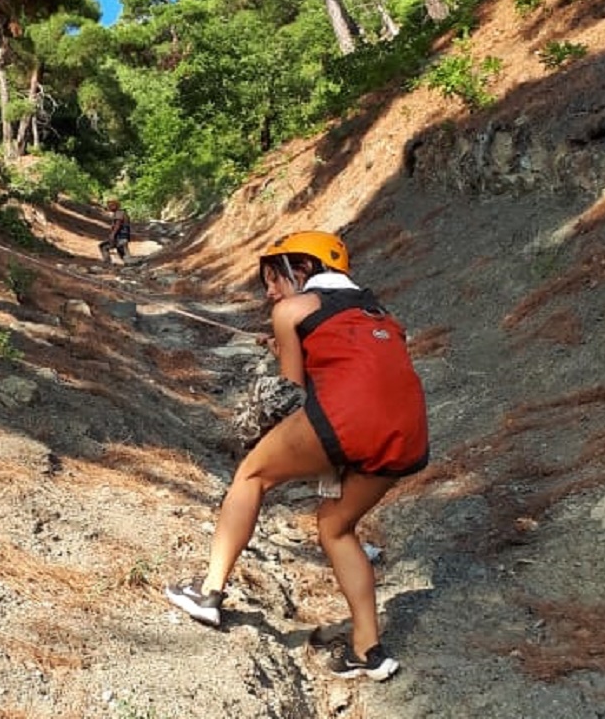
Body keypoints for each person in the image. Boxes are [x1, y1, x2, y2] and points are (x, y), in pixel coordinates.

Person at [165, 230, 429, 682]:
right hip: (409, 435)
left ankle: (208, 593)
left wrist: (284, 346)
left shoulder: (290, 310)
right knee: (335, 526)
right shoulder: (378, 312)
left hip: (349, 422)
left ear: (302, 269)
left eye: (273, 278)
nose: (269, 291)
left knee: (251, 475)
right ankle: (368, 651)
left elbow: (291, 393)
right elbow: (355, 364)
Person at [99, 199, 131, 264]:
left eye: (111, 206)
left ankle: (107, 261)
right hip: (123, 236)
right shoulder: (121, 212)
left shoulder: (119, 213)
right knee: (122, 251)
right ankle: (129, 263)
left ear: (116, 205)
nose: (109, 207)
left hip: (121, 236)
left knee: (104, 246)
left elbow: (117, 225)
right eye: (108, 206)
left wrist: (113, 234)